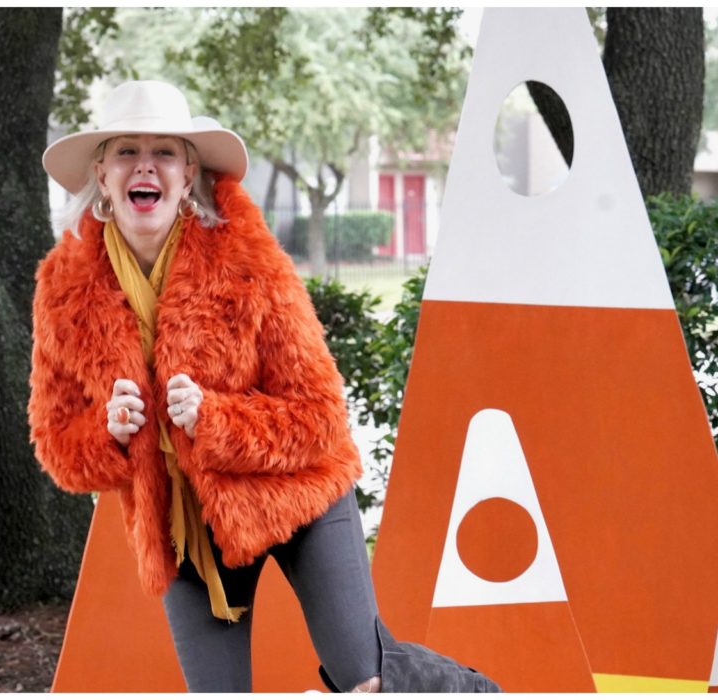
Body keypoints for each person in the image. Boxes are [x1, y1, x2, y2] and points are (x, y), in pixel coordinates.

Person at [29, 80, 499, 693]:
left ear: (188, 170)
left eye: (164, 152)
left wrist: (214, 420)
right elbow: (56, 444)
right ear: (101, 171)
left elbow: (323, 413)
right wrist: (109, 434)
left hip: (297, 496)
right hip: (189, 531)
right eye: (126, 151)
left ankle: (468, 691)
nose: (145, 165)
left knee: (367, 681)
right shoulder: (62, 290)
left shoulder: (248, 261)